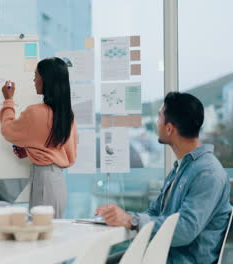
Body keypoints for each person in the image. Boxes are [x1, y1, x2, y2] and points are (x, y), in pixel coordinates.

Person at [95, 92, 231, 263]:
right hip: (161, 254)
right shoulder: (182, 168)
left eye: (159, 118)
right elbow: (155, 212)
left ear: (169, 128)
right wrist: (121, 216)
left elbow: (185, 230)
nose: (156, 123)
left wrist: (132, 220)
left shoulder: (208, 173)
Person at [0, 57, 77, 218]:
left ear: (46, 79)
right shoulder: (66, 115)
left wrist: (8, 100)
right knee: (50, 236)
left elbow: (7, 130)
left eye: (36, 75)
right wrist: (31, 150)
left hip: (44, 182)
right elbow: (63, 151)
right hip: (56, 182)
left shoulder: (35, 113)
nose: (34, 79)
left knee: (43, 236)